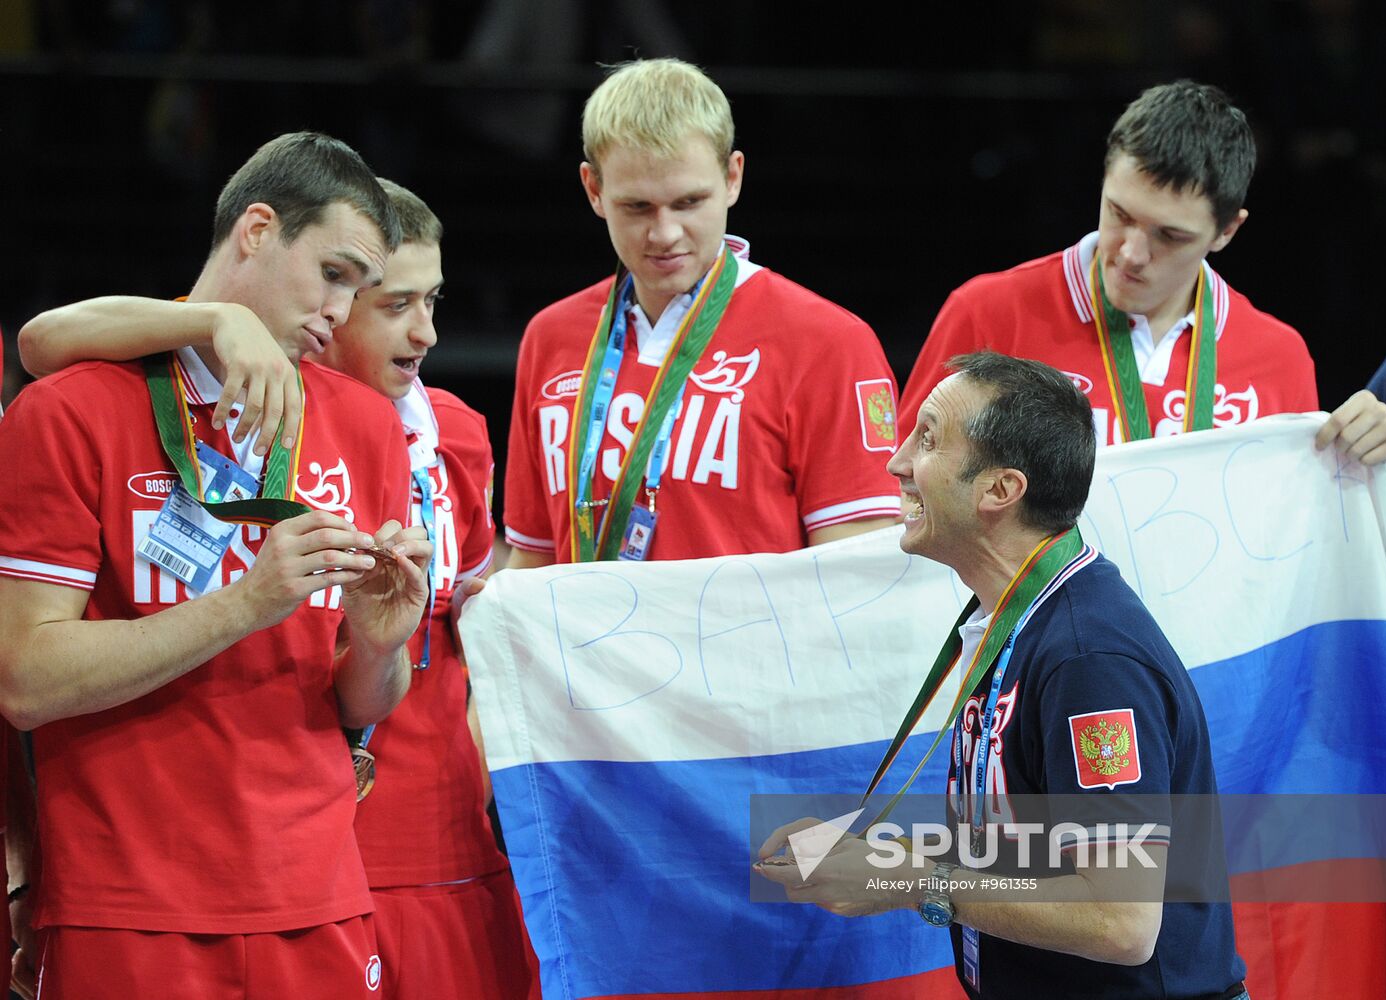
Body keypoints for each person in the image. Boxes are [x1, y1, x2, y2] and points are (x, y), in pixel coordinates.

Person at [17, 180, 540, 999]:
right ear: (258, 229)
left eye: (359, 289)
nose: (341, 309)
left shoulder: (370, 427)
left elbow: (360, 706)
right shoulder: (72, 408)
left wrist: (377, 641)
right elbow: (24, 679)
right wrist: (247, 603)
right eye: (334, 273)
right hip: (126, 906)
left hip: (321, 898)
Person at [760, 352, 1248, 999]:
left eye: (927, 439)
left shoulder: (1087, 659)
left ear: (999, 490)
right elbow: (1030, 851)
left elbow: (1121, 921)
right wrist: (878, 860)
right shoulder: (1016, 620)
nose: (896, 462)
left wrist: (909, 882)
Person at [504, 57, 901, 568]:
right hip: (578, 651)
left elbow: (858, 577)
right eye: (637, 207)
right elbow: (533, 561)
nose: (665, 233)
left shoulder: (828, 342)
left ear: (733, 177)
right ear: (593, 189)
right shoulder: (550, 337)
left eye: (689, 202)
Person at [898, 80, 1386, 468]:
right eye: (1119, 213)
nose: (1132, 253)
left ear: (1227, 231)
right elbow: (903, 494)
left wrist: (1372, 463)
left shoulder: (1278, 357)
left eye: (1169, 236)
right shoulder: (989, 316)